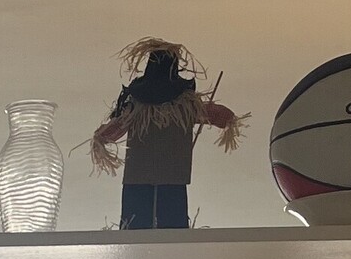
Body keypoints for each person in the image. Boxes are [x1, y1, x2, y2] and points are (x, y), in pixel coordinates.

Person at [90, 39, 244, 230]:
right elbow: (221, 116)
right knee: (166, 223)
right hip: (165, 173)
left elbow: (113, 129)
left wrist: (101, 138)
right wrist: (228, 120)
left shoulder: (140, 108)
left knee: (146, 224)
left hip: (150, 174)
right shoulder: (183, 107)